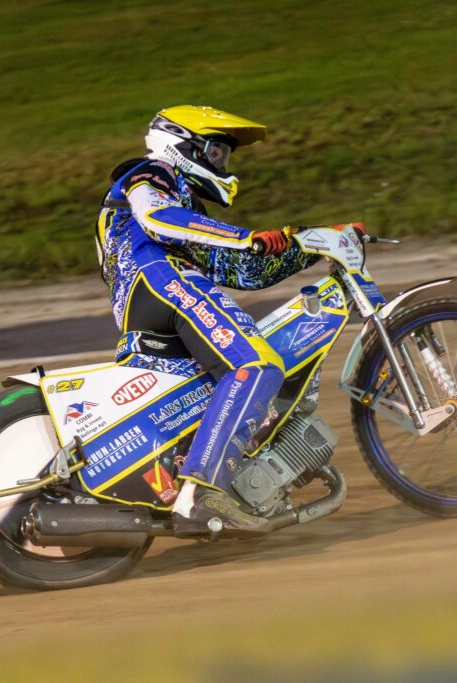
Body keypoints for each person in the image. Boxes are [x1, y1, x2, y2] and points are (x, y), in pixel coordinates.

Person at [96, 105, 321, 536]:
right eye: (216, 151)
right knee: (256, 366)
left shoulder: (186, 208)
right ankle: (202, 494)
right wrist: (244, 236)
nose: (222, 163)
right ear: (182, 144)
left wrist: (312, 244)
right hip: (161, 277)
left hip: (146, 296)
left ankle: (193, 479)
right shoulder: (152, 172)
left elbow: (242, 270)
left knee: (220, 389)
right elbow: (157, 218)